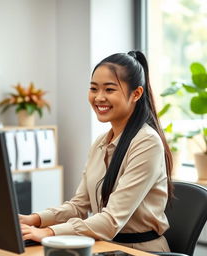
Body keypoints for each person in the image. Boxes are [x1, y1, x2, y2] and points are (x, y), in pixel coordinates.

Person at [20, 51, 173, 252]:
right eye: (93, 88)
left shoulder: (147, 142)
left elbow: (111, 221)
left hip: (139, 250)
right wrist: (33, 219)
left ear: (136, 94)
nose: (99, 97)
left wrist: (48, 233)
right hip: (105, 247)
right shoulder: (101, 142)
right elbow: (78, 206)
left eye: (109, 89)